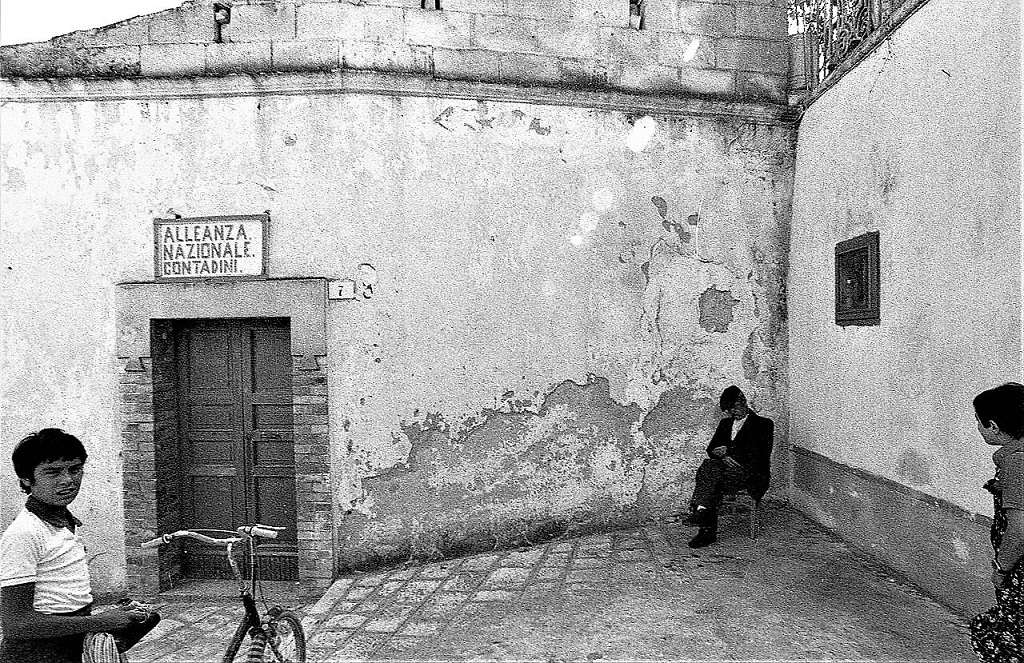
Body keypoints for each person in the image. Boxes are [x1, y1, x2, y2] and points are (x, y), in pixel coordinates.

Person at [0, 428, 160, 663]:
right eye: (53, 472)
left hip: (71, 647)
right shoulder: (25, 533)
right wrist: (101, 622)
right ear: (26, 478)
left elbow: (66, 601)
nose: (68, 480)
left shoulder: (64, 523)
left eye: (75, 469)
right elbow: (17, 624)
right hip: (35, 655)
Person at [970, 383, 1024, 662]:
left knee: (994, 635)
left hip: (1019, 567)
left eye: (978, 421)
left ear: (993, 426)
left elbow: (1020, 530)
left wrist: (1001, 569)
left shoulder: (1017, 463)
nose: (978, 428)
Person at [684, 386, 774, 548]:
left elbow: (760, 453)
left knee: (709, 473)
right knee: (711, 473)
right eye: (730, 410)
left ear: (744, 402)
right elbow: (711, 449)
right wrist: (723, 456)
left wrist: (729, 451)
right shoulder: (725, 423)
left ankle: (703, 521)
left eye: (735, 407)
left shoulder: (764, 424)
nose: (733, 412)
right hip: (725, 473)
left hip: (750, 473)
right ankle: (703, 514)